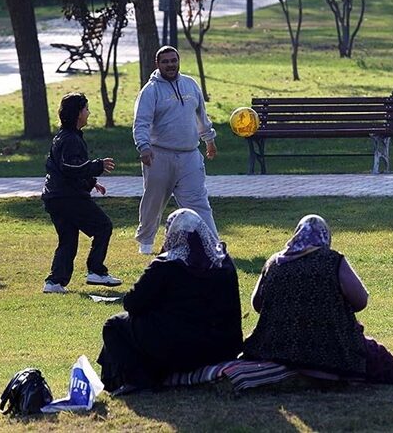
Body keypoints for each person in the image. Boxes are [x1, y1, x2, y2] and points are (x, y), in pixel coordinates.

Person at [242, 214, 393, 391]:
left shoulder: (274, 263)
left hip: (277, 346)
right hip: (332, 350)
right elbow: (360, 301)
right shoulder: (332, 260)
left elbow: (257, 304)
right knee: (375, 353)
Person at [97, 208, 243, 395]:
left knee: (114, 325)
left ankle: (138, 380)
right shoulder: (223, 262)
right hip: (224, 346)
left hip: (182, 349)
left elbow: (132, 304)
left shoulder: (167, 265)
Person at [133, 45, 219, 255]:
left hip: (190, 155)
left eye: (174, 60)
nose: (170, 65)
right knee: (154, 202)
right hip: (159, 156)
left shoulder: (190, 85)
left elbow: (201, 116)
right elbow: (141, 123)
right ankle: (146, 242)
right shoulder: (150, 91)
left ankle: (213, 245)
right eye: (165, 62)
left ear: (178, 61)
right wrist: (144, 147)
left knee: (199, 202)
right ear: (158, 64)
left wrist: (209, 139)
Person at [41, 93, 121, 294]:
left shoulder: (67, 136)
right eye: (86, 109)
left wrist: (92, 182)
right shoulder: (69, 139)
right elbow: (70, 167)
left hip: (56, 198)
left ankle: (54, 282)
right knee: (103, 226)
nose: (89, 113)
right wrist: (97, 166)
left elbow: (70, 169)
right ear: (77, 113)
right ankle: (96, 271)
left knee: (68, 239)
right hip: (67, 198)